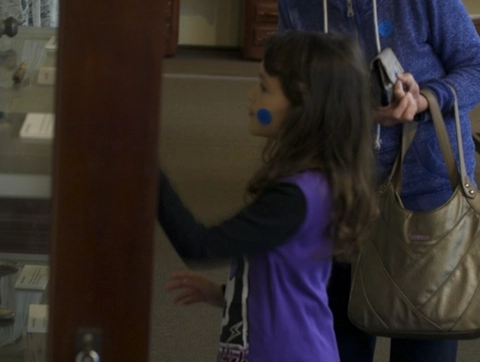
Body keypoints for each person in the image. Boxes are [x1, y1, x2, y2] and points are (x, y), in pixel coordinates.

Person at [269, 0, 480, 362]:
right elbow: (285, 96)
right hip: (338, 203)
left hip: (425, 202)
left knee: (423, 348)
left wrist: (426, 98)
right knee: (338, 346)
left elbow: (479, 69)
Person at [158, 31, 378, 362]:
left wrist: (144, 165)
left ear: (303, 104)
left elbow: (198, 244)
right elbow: (291, 277)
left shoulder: (295, 198)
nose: (251, 96)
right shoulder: (314, 182)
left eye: (263, 87)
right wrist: (224, 295)